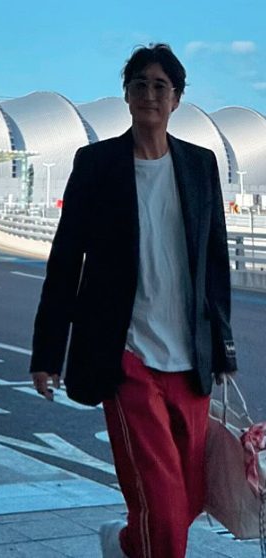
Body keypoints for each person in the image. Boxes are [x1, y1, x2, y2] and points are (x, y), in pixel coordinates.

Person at [30, 43, 237, 558]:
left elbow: (214, 263)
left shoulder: (200, 165)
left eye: (160, 86)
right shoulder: (97, 164)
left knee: (187, 500)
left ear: (177, 99)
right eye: (139, 84)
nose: (149, 94)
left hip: (189, 356)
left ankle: (123, 545)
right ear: (126, 95)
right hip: (126, 356)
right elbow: (65, 260)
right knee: (163, 514)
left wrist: (223, 347)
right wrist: (47, 353)